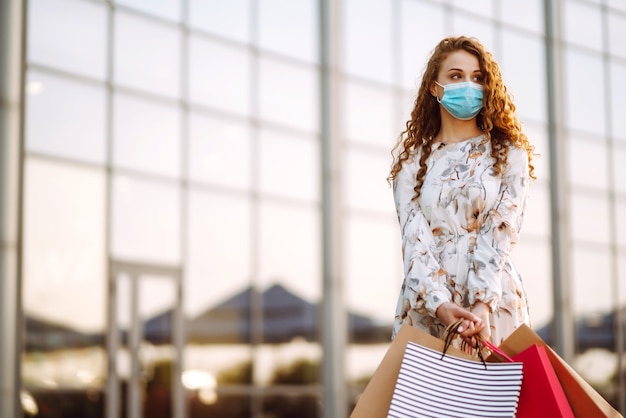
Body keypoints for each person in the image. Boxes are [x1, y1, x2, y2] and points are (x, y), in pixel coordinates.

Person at [388, 36, 536, 347]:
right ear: (434, 87)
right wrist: (440, 306)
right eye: (456, 76)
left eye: (478, 78)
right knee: (430, 395)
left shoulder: (510, 155)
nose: (469, 85)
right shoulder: (411, 164)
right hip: (428, 308)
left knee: (497, 393)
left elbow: (502, 230)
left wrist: (481, 304)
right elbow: (414, 240)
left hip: (493, 300)